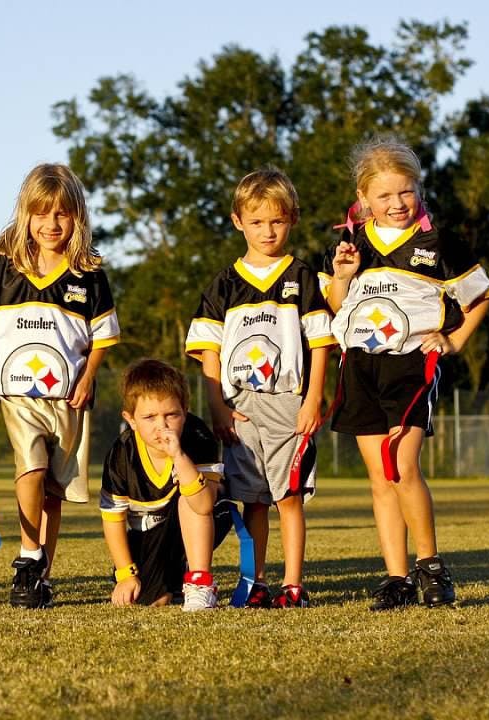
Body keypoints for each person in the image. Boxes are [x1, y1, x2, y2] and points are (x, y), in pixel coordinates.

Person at [322, 135, 489, 610]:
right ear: (363, 200)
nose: (397, 203)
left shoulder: (439, 242)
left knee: (403, 465)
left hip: (411, 364)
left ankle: (431, 567)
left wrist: (455, 340)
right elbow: (337, 308)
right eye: (384, 195)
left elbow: (479, 296)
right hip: (359, 365)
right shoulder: (347, 245)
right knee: (380, 477)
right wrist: (342, 277)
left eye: (406, 191)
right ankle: (396, 578)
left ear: (418, 190)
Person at [186, 167, 336, 609]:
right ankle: (256, 582)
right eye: (257, 221)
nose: (267, 230)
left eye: (277, 220)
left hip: (290, 403)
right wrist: (217, 407)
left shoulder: (303, 278)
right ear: (238, 221)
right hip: (241, 408)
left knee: (289, 499)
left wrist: (312, 399)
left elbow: (322, 342)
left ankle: (293, 585)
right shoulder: (224, 284)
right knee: (252, 501)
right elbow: (208, 352)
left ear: (292, 219)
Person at [0, 163, 120, 609]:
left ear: (77, 218)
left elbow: (103, 337)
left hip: (68, 395)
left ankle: (40, 576)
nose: (51, 224)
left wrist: (89, 376)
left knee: (54, 490)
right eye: (41, 214)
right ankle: (27, 554)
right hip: (17, 393)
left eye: (62, 214)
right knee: (30, 467)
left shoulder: (88, 274)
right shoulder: (1, 268)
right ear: (25, 215)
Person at [100, 359, 222, 610]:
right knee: (149, 598)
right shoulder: (122, 453)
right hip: (145, 536)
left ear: (185, 411)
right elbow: (113, 519)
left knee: (191, 502)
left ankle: (200, 582)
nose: (162, 426)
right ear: (131, 419)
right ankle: (174, 580)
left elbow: (204, 504)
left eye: (171, 415)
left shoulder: (197, 437)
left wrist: (179, 457)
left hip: (200, 519)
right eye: (149, 417)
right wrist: (125, 572)